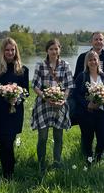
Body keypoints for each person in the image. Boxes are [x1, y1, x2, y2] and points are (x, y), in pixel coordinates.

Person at [31, 38, 74, 172]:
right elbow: (35, 86)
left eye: (56, 49)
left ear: (60, 50)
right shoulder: (40, 65)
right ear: (47, 51)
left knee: (58, 136)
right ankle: (41, 164)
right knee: (42, 137)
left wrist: (63, 99)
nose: (54, 52)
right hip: (43, 104)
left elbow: (69, 85)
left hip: (60, 104)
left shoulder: (65, 65)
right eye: (51, 49)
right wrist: (45, 97)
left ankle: (57, 162)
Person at [0, 37, 29, 180]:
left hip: (14, 113)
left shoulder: (23, 70)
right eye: (7, 50)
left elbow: (26, 92)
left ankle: (9, 173)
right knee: (3, 144)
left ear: (16, 51)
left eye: (12, 49)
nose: (10, 52)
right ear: (3, 51)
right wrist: (3, 93)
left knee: (9, 143)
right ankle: (7, 172)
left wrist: (16, 98)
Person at [73, 50, 104, 165]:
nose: (93, 62)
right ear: (86, 62)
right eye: (90, 60)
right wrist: (87, 104)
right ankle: (89, 161)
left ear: (98, 62)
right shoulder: (82, 76)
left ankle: (99, 160)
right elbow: (75, 94)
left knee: (103, 139)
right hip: (86, 113)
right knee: (87, 139)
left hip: (102, 113)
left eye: (95, 59)